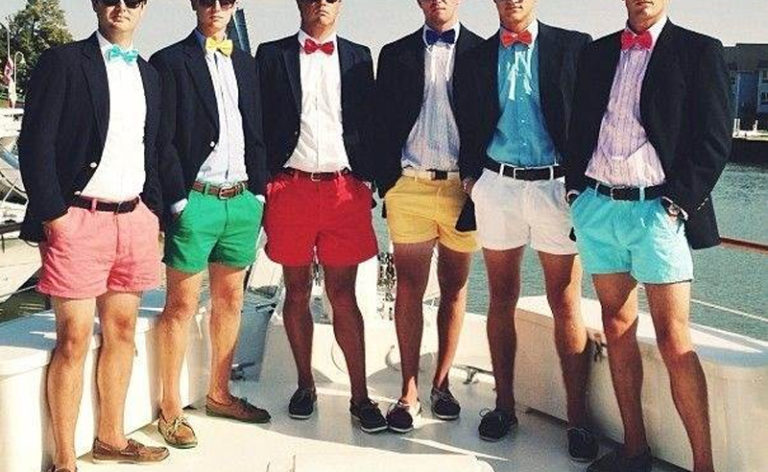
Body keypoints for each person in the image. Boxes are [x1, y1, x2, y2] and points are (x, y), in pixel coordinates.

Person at [565, 0, 731, 470]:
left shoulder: (700, 51)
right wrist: (576, 193)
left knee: (674, 340)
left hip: (657, 212)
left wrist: (676, 205)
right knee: (617, 329)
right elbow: (577, 126)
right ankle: (635, 450)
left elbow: (715, 139)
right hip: (599, 209)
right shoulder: (597, 53)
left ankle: (704, 466)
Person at [18, 0, 169, 469]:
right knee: (74, 338)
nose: (121, 7)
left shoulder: (149, 74)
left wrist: (153, 213)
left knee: (122, 332)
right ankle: (65, 460)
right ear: (96, 5)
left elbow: (153, 148)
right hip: (78, 220)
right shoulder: (63, 62)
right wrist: (54, 216)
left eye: (133, 0)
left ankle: (111, 438)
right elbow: (35, 142)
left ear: (144, 8)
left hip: (134, 219)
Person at [455, 0, 595, 460]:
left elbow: (591, 118)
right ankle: (503, 407)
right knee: (500, 296)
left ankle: (578, 421)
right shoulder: (475, 56)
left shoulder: (574, 47)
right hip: (498, 185)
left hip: (557, 187)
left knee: (565, 300)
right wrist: (472, 179)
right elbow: (464, 117)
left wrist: (580, 183)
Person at [255, 0, 386, 433]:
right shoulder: (271, 55)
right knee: (295, 291)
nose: (321, 4)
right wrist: (266, 181)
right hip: (289, 187)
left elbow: (371, 121)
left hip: (343, 190)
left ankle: (360, 397)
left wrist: (368, 178)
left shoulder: (359, 57)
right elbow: (257, 121)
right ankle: (304, 385)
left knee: (342, 295)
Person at [150, 0, 271, 449]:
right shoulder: (169, 61)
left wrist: (259, 194)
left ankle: (220, 394)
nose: (216, 7)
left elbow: (256, 131)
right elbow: (161, 140)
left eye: (225, 0)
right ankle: (170, 409)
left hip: (241, 200)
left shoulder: (246, 64)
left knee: (230, 301)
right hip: (196, 200)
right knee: (180, 305)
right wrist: (178, 201)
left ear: (235, 5)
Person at [375, 0, 482, 433]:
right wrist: (386, 181)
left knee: (455, 289)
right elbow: (380, 121)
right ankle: (408, 391)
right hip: (410, 187)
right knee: (409, 289)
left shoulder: (482, 52)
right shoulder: (394, 53)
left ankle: (442, 385)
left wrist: (481, 180)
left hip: (463, 189)